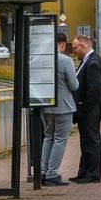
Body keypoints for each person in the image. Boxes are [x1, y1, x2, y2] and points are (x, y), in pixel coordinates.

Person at [40, 32, 78, 186]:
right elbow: (74, 85)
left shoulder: (43, 58)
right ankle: (51, 173)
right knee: (60, 139)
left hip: (46, 106)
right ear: (62, 44)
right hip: (63, 107)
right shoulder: (66, 61)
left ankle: (42, 171)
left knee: (48, 137)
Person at [71, 32, 101, 183]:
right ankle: (83, 172)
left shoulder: (93, 63)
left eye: (75, 48)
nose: (73, 52)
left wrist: (84, 109)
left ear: (84, 45)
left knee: (91, 140)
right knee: (85, 141)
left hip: (90, 110)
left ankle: (93, 174)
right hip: (86, 110)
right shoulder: (87, 61)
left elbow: (94, 90)